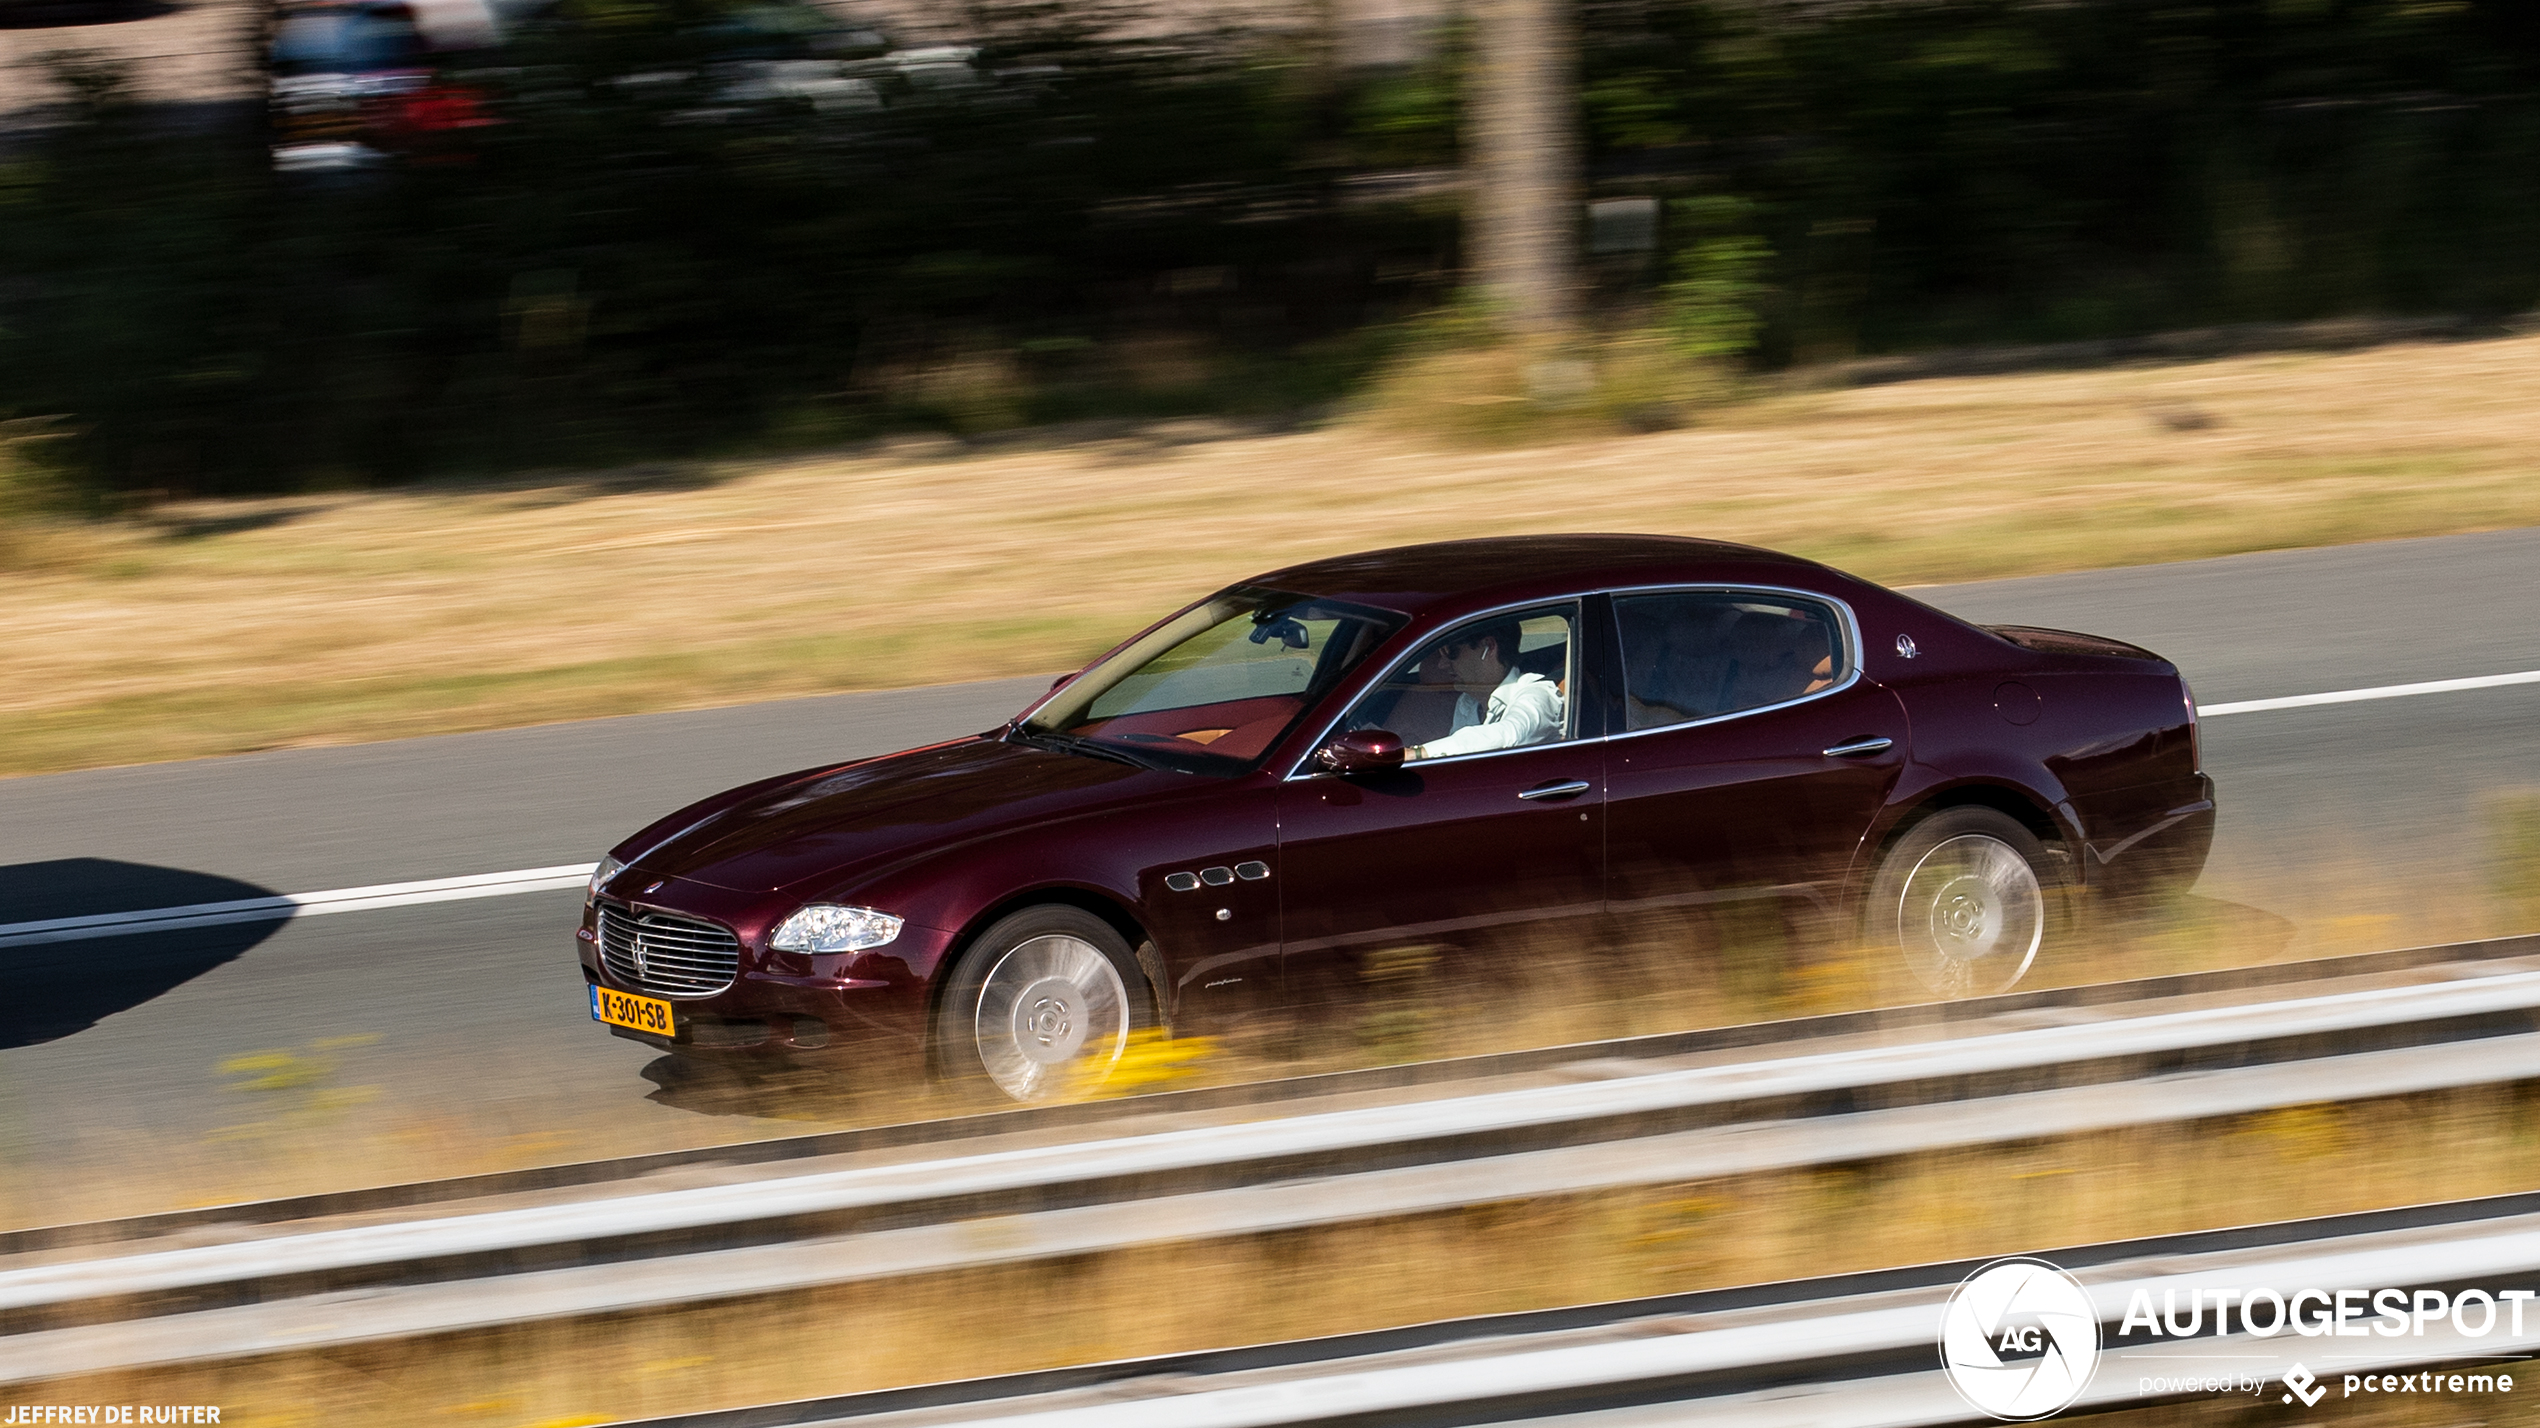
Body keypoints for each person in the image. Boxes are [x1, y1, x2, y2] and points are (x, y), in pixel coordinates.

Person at [1402, 620, 1564, 761]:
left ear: (1489, 646)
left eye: (1451, 652)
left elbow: (1509, 735)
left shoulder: (1538, 693)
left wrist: (1416, 754)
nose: (1442, 664)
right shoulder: (1467, 703)